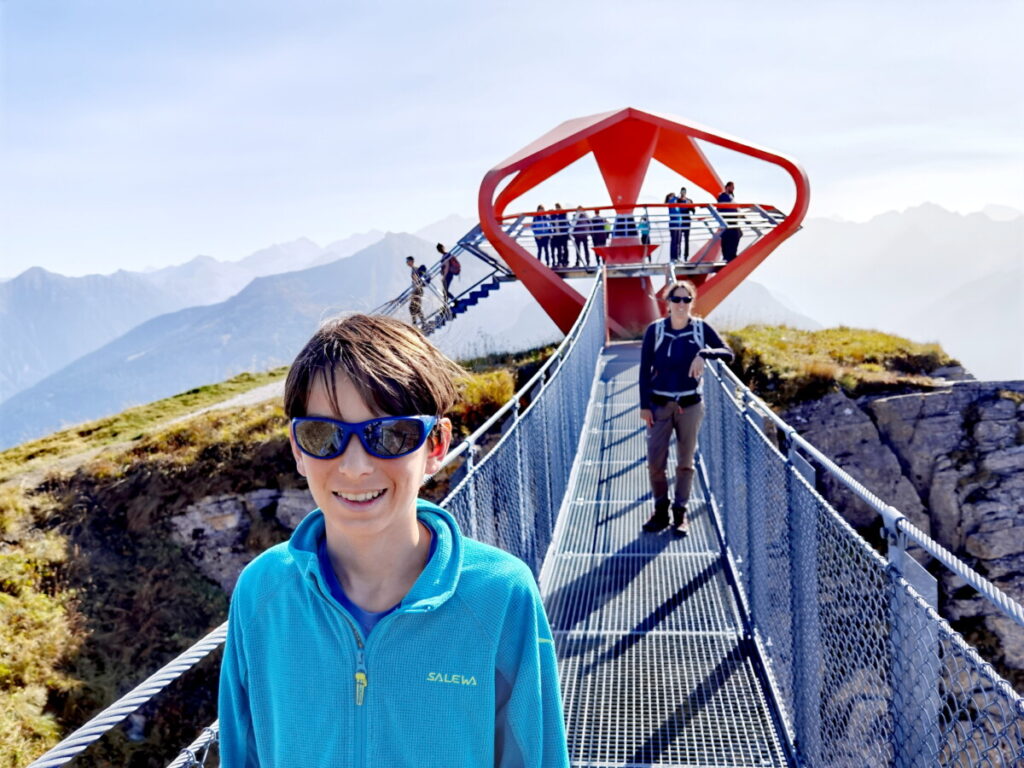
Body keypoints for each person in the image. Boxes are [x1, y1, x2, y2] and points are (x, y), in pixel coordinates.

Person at [219, 314, 570, 767]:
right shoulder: (261, 593)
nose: (355, 466)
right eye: (323, 436)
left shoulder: (499, 595)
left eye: (390, 435)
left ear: (437, 445)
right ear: (297, 449)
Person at [638, 279, 734, 536]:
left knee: (685, 462)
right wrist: (644, 405)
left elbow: (728, 353)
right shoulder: (655, 331)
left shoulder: (701, 329)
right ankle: (660, 511)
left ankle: (680, 514)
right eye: (676, 299)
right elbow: (644, 370)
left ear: (691, 302)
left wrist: (704, 353)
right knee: (655, 462)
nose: (681, 304)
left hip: (690, 406)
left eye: (686, 299)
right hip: (659, 406)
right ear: (668, 303)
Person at [717, 181, 741, 262]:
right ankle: (727, 256)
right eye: (732, 187)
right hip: (727, 220)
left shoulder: (731, 196)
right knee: (727, 237)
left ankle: (732, 255)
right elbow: (721, 207)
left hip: (734, 220)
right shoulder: (722, 196)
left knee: (737, 234)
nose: (733, 189)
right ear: (727, 187)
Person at [406, 255, 425, 328]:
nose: (407, 263)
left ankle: (415, 324)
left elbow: (417, 280)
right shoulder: (414, 269)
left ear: (411, 261)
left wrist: (414, 290)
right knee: (416, 307)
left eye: (408, 261)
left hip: (417, 291)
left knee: (412, 307)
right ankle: (420, 323)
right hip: (417, 290)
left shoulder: (415, 269)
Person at [677, 187, 694, 261]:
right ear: (680, 192)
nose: (683, 192)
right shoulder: (677, 200)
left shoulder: (689, 200)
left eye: (684, 191)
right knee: (679, 239)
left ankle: (686, 256)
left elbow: (693, 210)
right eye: (682, 191)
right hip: (680, 221)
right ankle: (679, 255)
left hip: (687, 221)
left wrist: (690, 206)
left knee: (686, 239)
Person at [551, 203, 570, 267]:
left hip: (563, 234)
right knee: (559, 249)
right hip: (557, 235)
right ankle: (559, 261)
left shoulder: (563, 214)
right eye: (556, 207)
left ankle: (565, 261)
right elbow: (551, 220)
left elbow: (565, 221)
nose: (557, 208)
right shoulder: (554, 216)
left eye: (558, 207)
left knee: (565, 248)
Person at [666, 192, 682, 262]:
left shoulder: (676, 205)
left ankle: (677, 257)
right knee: (674, 241)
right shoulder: (670, 203)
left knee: (678, 241)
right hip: (674, 224)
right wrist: (675, 197)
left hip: (679, 224)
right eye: (671, 196)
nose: (673, 197)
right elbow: (672, 200)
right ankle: (673, 257)